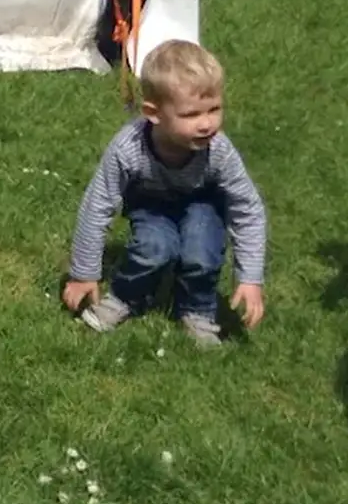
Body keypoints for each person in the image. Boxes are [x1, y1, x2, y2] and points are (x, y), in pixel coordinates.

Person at [62, 40, 266, 346]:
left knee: (201, 252)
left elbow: (246, 208)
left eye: (214, 109)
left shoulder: (219, 150)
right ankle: (127, 297)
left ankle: (197, 309)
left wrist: (250, 277)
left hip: (203, 202)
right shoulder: (128, 149)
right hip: (151, 204)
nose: (207, 123)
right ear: (152, 113)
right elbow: (97, 205)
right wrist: (84, 273)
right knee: (153, 248)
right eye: (191, 114)